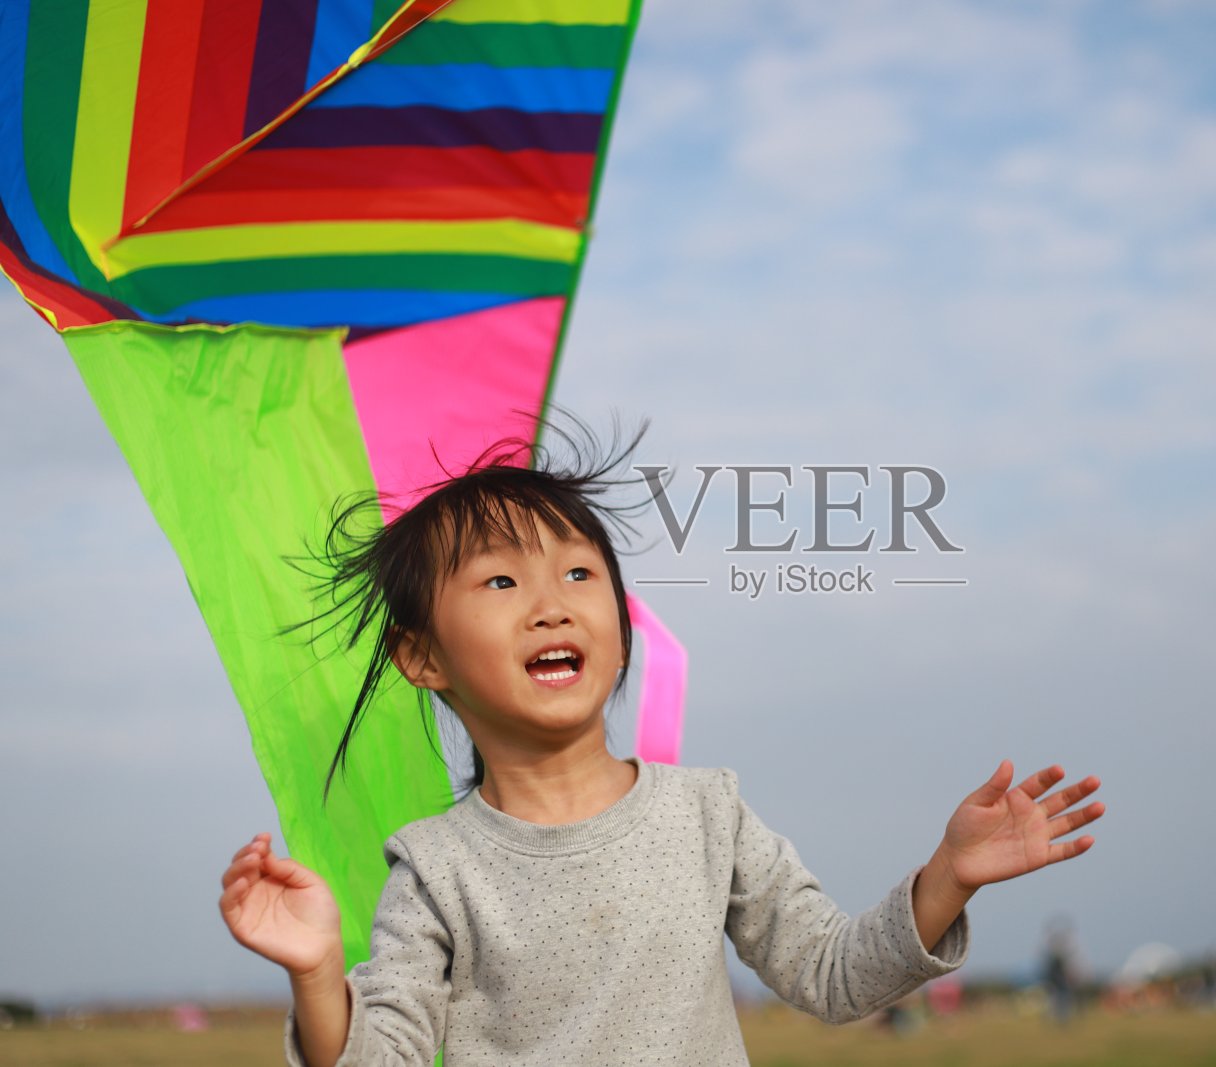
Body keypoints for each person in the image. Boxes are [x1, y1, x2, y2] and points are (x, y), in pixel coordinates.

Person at [218, 423, 1105, 1066]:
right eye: (499, 578)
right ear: (420, 655)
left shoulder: (705, 811)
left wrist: (946, 874)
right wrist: (321, 971)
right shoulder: (438, 867)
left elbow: (834, 975)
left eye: (578, 570)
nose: (553, 601)